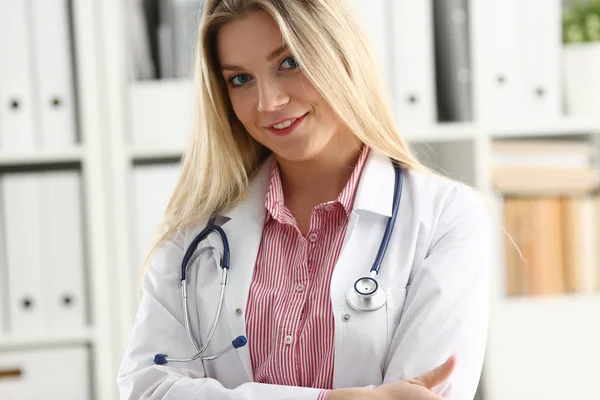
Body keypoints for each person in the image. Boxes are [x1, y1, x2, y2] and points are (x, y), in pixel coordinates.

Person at [117, 0, 492, 399]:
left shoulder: (446, 218)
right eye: (240, 79)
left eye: (289, 62)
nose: (268, 102)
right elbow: (147, 389)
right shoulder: (196, 237)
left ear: (341, 53)